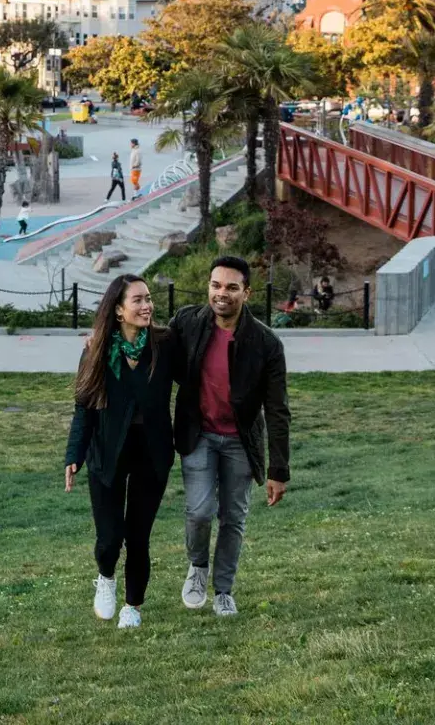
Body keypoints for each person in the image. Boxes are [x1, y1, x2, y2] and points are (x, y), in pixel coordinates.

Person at [165, 256, 292, 617]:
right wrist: (109, 335)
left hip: (240, 440)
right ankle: (197, 568)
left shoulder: (266, 343)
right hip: (198, 435)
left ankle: (223, 590)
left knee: (233, 518)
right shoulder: (187, 322)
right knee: (200, 510)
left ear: (246, 293)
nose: (222, 294)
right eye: (216, 285)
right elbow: (154, 352)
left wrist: (278, 469)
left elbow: (278, 409)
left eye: (232, 287)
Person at [64, 274, 188, 629]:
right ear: (118, 309)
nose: (147, 305)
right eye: (138, 300)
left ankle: (133, 605)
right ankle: (105, 578)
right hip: (106, 452)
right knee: (109, 537)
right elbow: (84, 407)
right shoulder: (96, 350)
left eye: (148, 298)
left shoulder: (165, 344)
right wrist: (74, 454)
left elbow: (192, 376)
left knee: (138, 535)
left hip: (152, 452)